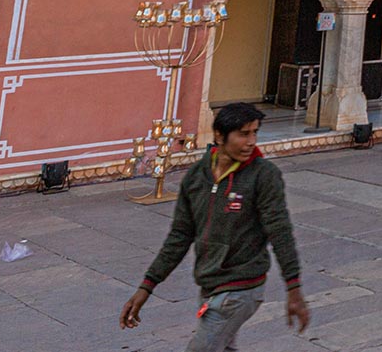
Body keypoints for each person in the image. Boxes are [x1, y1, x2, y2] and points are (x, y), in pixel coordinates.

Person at [122, 103, 309, 350]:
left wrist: (293, 288)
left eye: (255, 133)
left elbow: (280, 231)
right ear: (220, 135)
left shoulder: (263, 176)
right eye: (243, 134)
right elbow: (179, 236)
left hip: (241, 287)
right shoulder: (197, 177)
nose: (251, 141)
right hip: (209, 284)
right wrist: (147, 286)